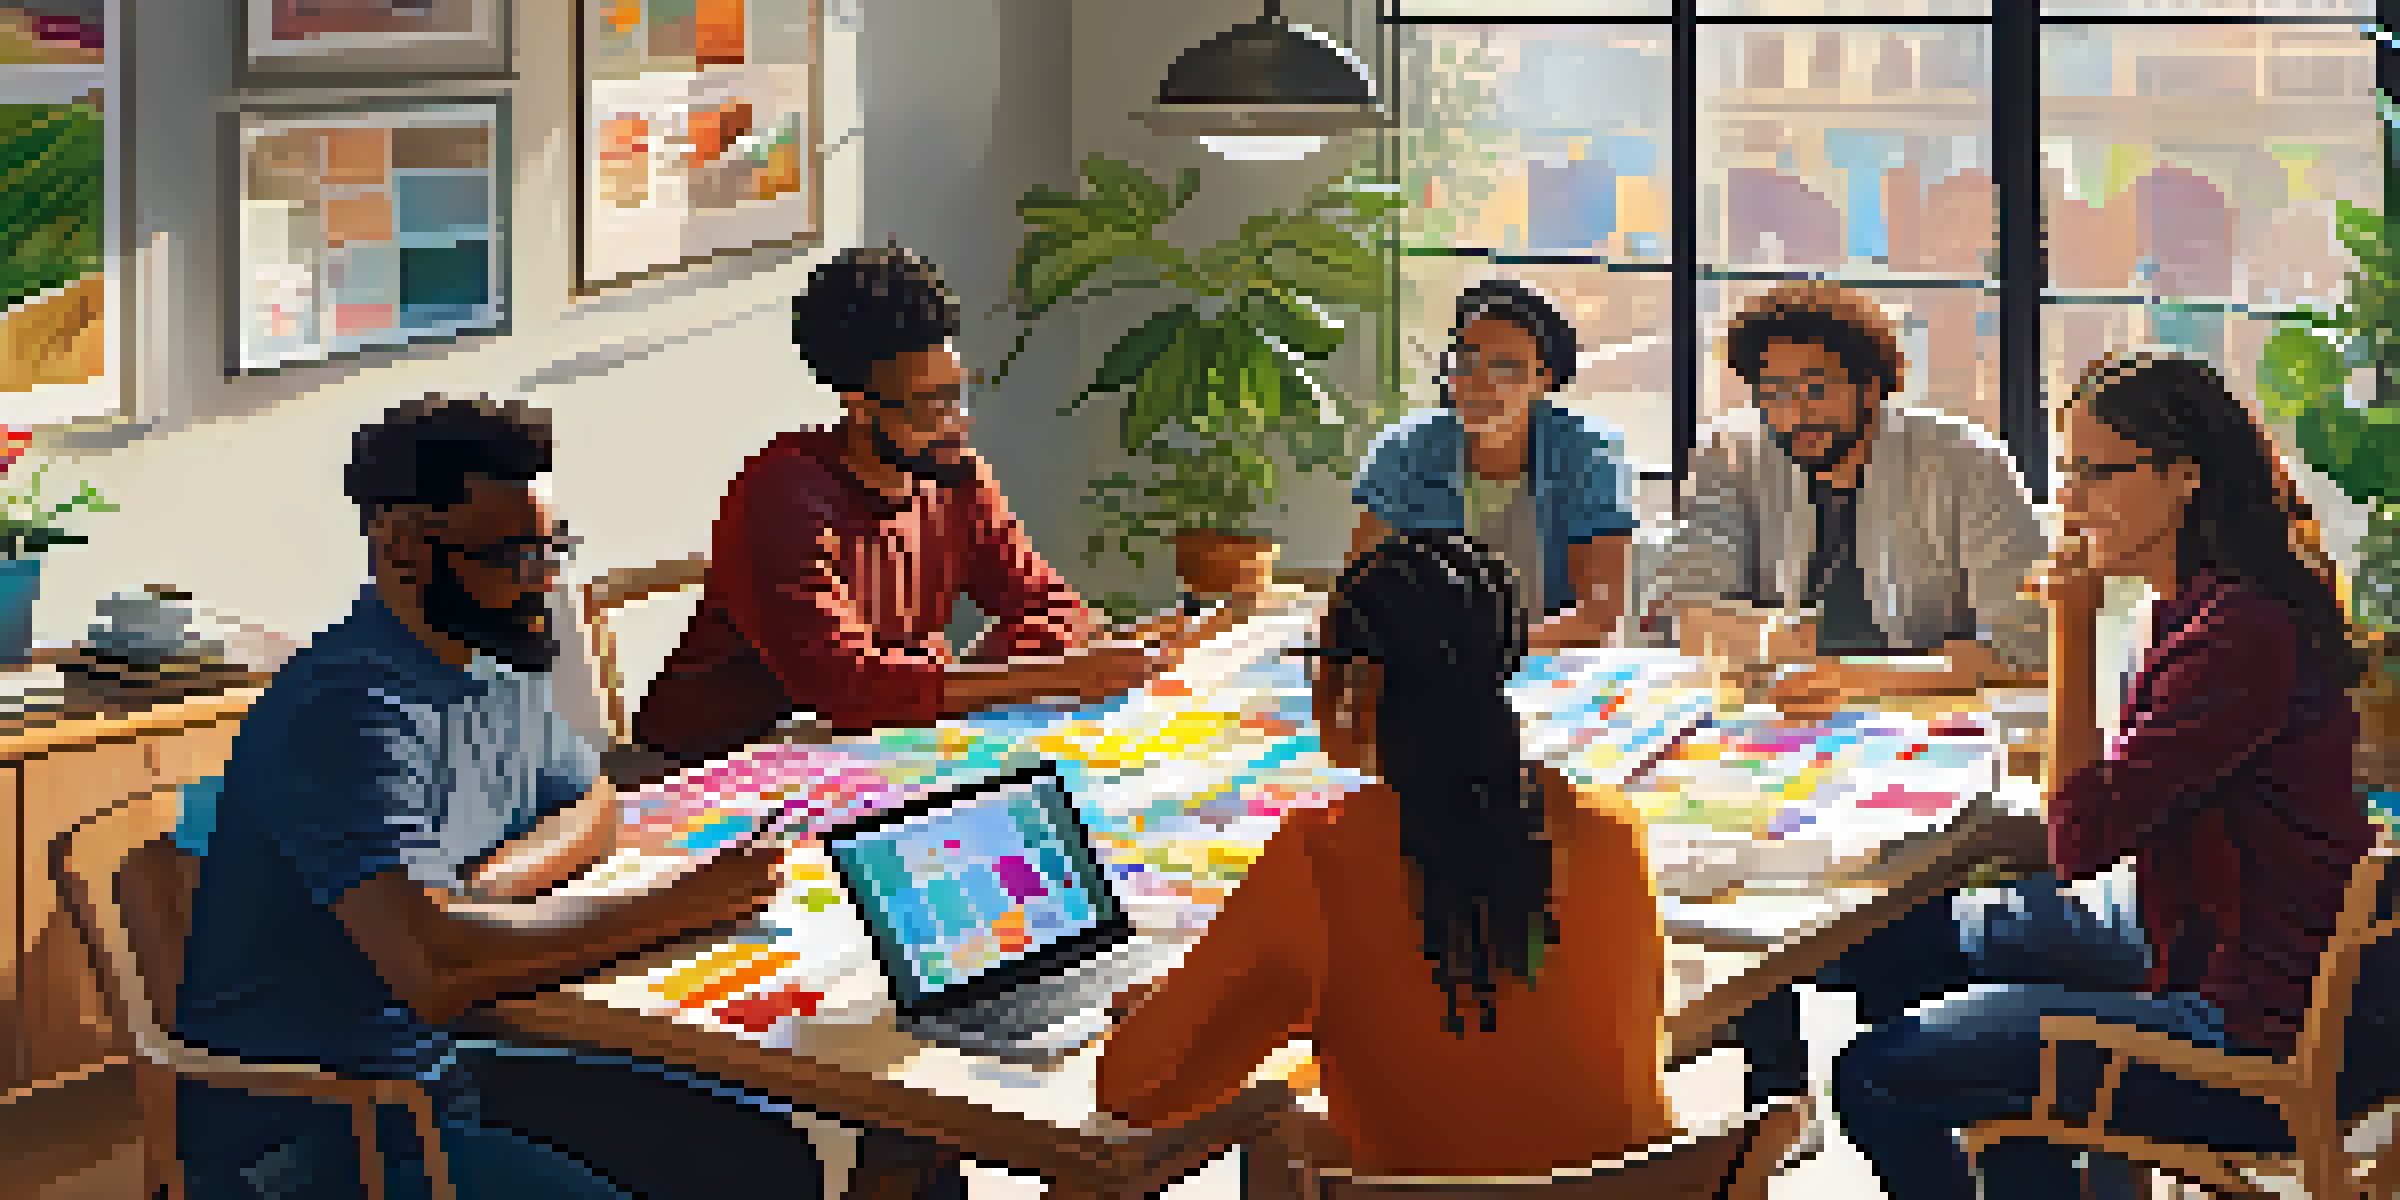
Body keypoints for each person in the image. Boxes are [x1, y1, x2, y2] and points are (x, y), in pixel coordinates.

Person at [1737, 349, 2391, 1199]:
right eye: (2068, 472)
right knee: (1902, 946)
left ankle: (2042, 1151)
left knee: (1876, 1074)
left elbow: (2078, 843)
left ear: (2184, 478)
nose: (2070, 503)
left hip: (2245, 1031)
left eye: (2099, 474)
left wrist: (2070, 632)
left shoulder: (2233, 635)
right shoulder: (2209, 599)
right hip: (2211, 936)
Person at [174, 394, 820, 1199]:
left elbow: (593, 802)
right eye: (513, 555)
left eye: (555, 546)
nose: (546, 580)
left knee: (766, 1158)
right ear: (402, 551)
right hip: (320, 1131)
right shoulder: (350, 712)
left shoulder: (494, 655)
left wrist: (490, 888)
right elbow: (434, 968)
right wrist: (688, 903)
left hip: (447, 1070)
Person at [1095, 532, 1681, 1176]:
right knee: (1294, 1129)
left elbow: (1130, 1089)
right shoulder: (1610, 830)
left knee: (1273, 1135)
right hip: (1646, 1190)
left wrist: (1209, 1007)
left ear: (1356, 683)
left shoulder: (1324, 857)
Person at [637, 244, 1186, 766]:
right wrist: (1049, 675)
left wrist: (1063, 659)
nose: (959, 422)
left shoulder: (955, 476)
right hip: (727, 770)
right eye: (933, 405)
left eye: (960, 394)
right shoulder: (781, 496)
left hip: (884, 747)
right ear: (860, 407)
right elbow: (845, 690)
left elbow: (1046, 604)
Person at [1648, 281, 2048, 719]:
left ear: (1873, 383)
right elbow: (1687, 609)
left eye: (1816, 389)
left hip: (1928, 718)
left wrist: (1857, 677)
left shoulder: (1967, 462)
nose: (1795, 414)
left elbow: (2029, 646)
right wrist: (1768, 639)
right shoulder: (1729, 457)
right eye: (1774, 393)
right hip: (1778, 717)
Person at [1350, 279, 1638, 651]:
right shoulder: (1403, 450)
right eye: (1466, 363)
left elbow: (1598, 615)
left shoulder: (1591, 453)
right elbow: (1360, 593)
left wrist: (1483, 650)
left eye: (1506, 367)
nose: (1479, 383)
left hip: (1551, 662)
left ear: (1545, 379)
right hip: (1425, 663)